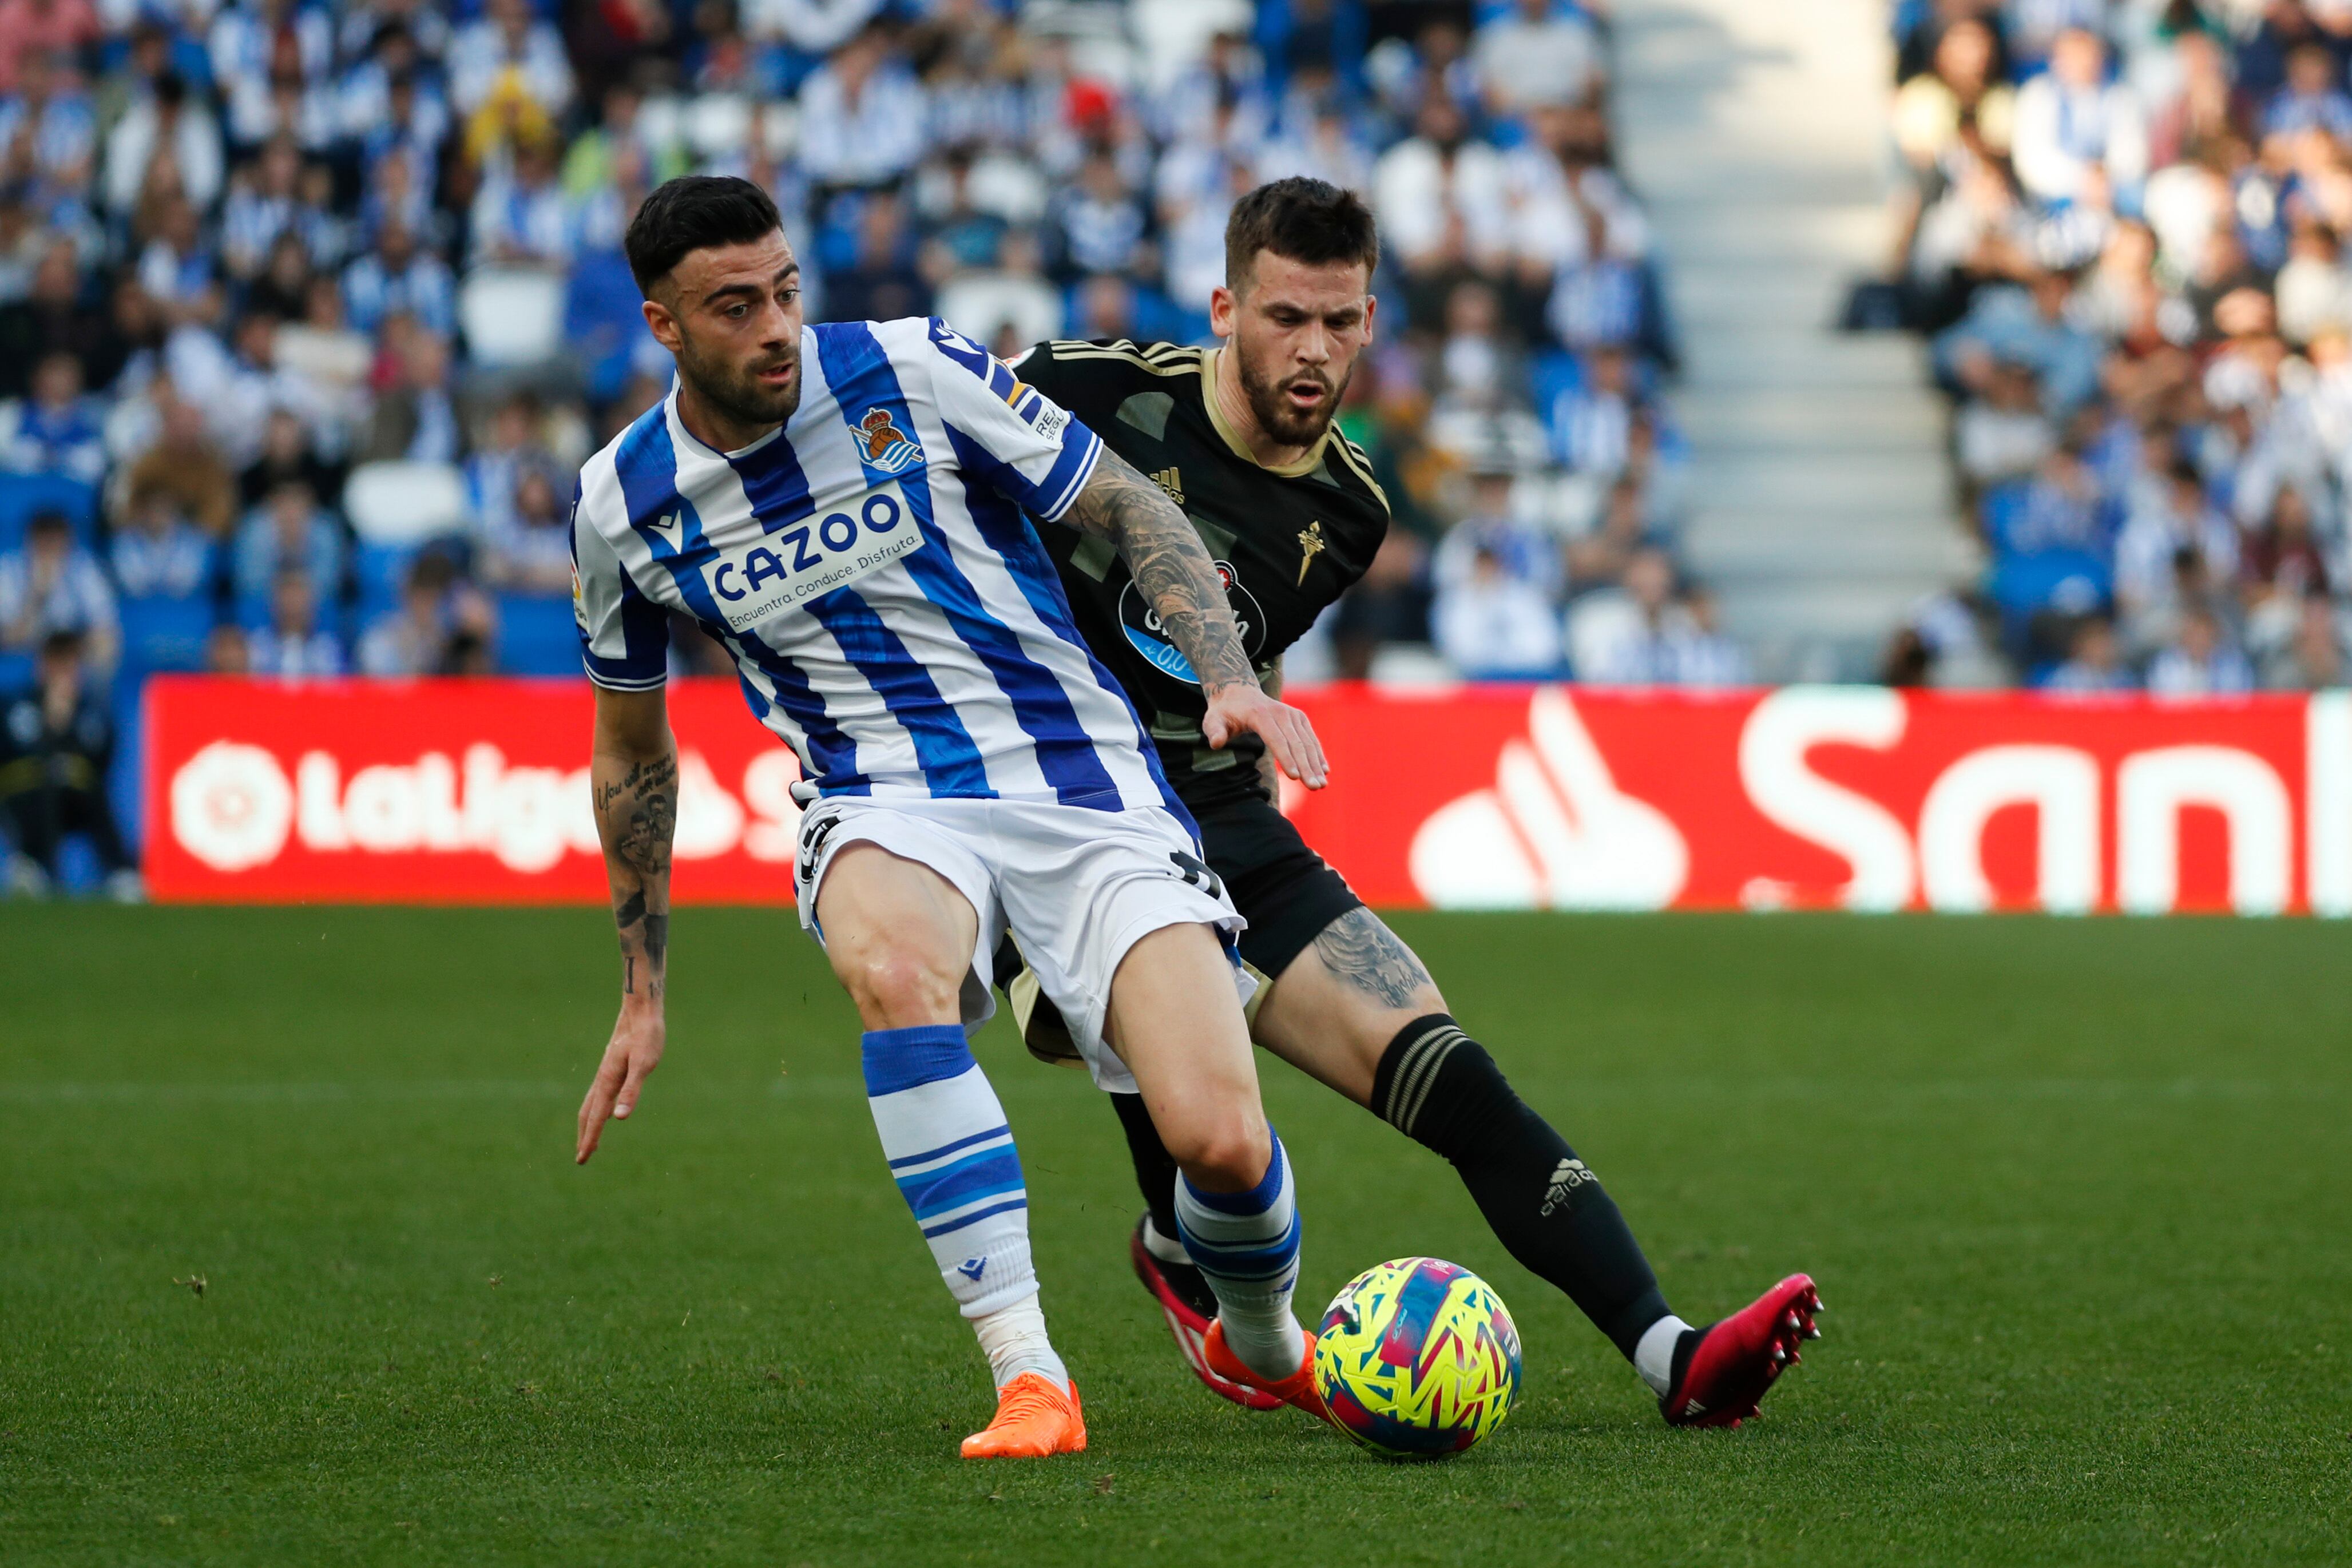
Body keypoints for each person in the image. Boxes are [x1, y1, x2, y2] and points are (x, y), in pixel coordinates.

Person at [1002, 177, 1820, 1428]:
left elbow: (1244, 640)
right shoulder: (1087, 388)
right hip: (1055, 812)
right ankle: (1181, 1246)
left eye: (1339, 321)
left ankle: (1674, 1352)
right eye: (1285, 316)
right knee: (1185, 1085)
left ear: (1374, 318)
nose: (1313, 350)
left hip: (1222, 817)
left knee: (1451, 1068)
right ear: (1225, 306)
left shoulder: (1352, 507)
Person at [567, 176, 1336, 1460]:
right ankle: (1029, 1372)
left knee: (1217, 1137)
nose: (776, 326)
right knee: (892, 963)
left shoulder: (911, 368)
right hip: (880, 794)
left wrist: (1230, 679)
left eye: (787, 290)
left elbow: (1129, 505)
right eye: (736, 305)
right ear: (665, 325)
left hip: (1082, 780)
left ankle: (1268, 1340)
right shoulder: (619, 503)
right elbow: (631, 754)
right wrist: (642, 985)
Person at [0, 629, 137, 899]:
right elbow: (10, 749)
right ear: (42, 667)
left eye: (70, 664)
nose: (63, 672)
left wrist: (66, 727)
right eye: (56, 663)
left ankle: (121, 871)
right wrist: (50, 724)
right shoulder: (16, 705)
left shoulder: (90, 712)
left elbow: (101, 758)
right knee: (35, 796)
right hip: (27, 791)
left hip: (74, 793)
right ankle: (32, 866)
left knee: (95, 798)